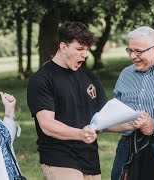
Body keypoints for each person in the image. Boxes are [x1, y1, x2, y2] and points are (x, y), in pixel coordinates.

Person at [26, 22, 107, 179]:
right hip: (59, 159)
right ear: (63, 47)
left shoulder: (90, 78)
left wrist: (133, 121)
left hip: (90, 159)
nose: (85, 54)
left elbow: (104, 118)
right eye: (79, 49)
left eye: (87, 49)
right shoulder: (42, 79)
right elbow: (47, 125)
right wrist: (80, 134)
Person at [106, 26, 154, 180]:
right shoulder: (126, 74)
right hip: (126, 146)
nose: (133, 56)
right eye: (130, 50)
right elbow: (113, 112)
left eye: (138, 51)